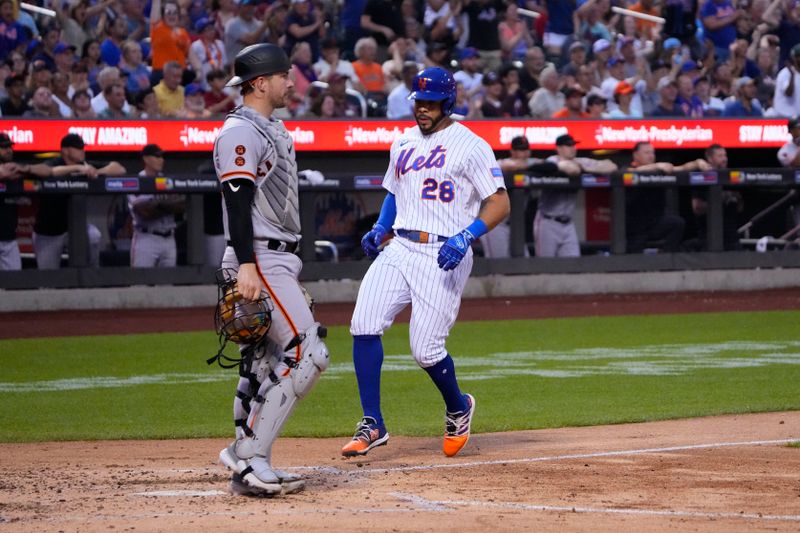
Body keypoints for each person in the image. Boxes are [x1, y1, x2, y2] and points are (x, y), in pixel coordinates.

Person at [341, 67, 510, 458]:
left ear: (447, 103)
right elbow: (395, 191)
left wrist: (468, 235)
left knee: (426, 350)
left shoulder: (471, 145)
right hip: (400, 247)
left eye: (431, 103)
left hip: (444, 252)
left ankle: (458, 406)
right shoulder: (402, 141)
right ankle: (373, 422)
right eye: (419, 102)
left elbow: (499, 201)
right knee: (364, 323)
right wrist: (381, 227)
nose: (422, 109)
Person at [214, 43, 329, 497]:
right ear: (260, 83)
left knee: (266, 361)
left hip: (276, 257)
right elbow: (237, 202)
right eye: (284, 75)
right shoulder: (238, 131)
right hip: (258, 257)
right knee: (307, 351)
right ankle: (248, 458)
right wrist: (247, 264)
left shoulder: (269, 127)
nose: (291, 81)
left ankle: (247, 452)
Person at [32, 133, 126, 269]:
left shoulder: (86, 164)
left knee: (93, 235)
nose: (82, 150)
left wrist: (97, 172)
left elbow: (119, 168)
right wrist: (77, 168)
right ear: (65, 150)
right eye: (78, 148)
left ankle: (92, 270)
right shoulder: (56, 162)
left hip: (74, 227)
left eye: (83, 147)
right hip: (49, 231)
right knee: (48, 275)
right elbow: (48, 171)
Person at [535, 134, 616, 258]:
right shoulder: (552, 160)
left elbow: (611, 165)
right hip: (547, 221)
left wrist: (587, 168)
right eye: (568, 145)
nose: (573, 148)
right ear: (558, 148)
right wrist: (584, 168)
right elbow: (572, 170)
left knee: (573, 263)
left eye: (574, 145)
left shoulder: (579, 161)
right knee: (544, 265)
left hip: (568, 223)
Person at [623, 142, 711, 254]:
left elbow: (682, 168)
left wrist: (697, 162)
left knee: (677, 223)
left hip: (655, 223)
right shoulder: (629, 168)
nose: (651, 156)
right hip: (635, 226)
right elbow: (628, 172)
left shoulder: (660, 170)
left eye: (652, 153)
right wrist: (656, 166)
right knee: (634, 259)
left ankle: (666, 257)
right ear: (635, 155)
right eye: (646, 153)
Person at [128, 144, 184, 267]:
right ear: (146, 159)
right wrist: (166, 206)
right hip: (146, 238)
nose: (161, 160)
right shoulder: (136, 181)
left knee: (168, 284)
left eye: (162, 157)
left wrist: (157, 205)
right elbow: (143, 212)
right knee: (141, 283)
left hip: (169, 238)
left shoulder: (166, 180)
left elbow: (180, 205)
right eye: (157, 156)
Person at [689, 144, 742, 251]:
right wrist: (718, 201)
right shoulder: (701, 176)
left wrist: (734, 198)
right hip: (708, 233)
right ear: (710, 159)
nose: (724, 159)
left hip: (731, 233)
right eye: (720, 156)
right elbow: (697, 208)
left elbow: (740, 206)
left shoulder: (732, 175)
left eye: (725, 156)